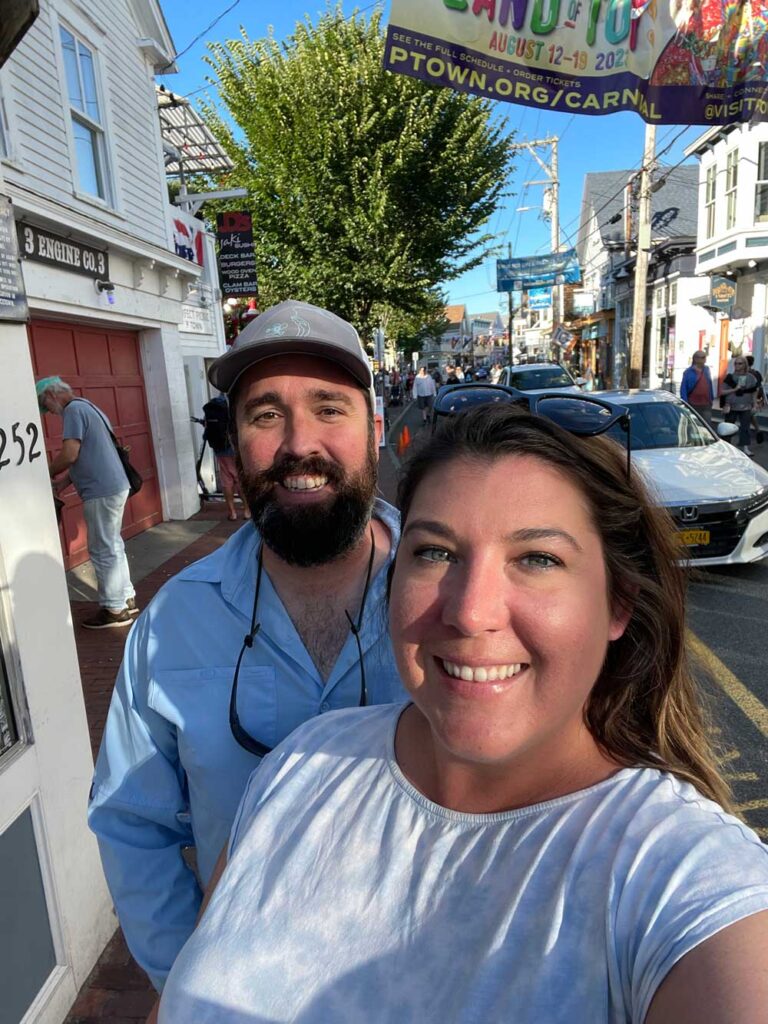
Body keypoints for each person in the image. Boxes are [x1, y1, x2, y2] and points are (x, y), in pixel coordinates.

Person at [155, 402, 768, 1023]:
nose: (471, 612)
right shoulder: (302, 764)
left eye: (537, 559)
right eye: (436, 553)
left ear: (619, 604)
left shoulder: (680, 876)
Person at [88, 300, 405, 991]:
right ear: (232, 449)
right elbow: (131, 824)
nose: (299, 444)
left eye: (330, 408)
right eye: (266, 414)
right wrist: (190, 985)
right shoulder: (174, 623)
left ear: (375, 429)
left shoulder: (455, 597)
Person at [36, 376, 137, 629]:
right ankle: (126, 597)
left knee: (102, 549)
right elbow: (89, 454)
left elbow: (71, 453)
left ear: (52, 395)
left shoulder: (73, 411)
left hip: (100, 490)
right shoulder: (89, 406)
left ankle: (114, 609)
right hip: (114, 485)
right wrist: (62, 484)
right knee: (113, 544)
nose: (50, 412)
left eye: (46, 406)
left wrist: (43, 472)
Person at [202, 393, 251, 521]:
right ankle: (247, 510)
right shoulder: (233, 403)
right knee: (239, 478)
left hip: (218, 447)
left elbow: (207, 425)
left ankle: (232, 512)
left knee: (226, 480)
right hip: (232, 445)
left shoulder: (213, 404)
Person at [720, 355, 759, 456]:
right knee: (728, 427)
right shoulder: (730, 377)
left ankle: (745, 447)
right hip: (731, 405)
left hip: (745, 406)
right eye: (736, 363)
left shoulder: (751, 378)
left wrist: (755, 404)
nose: (737, 365)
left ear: (745, 364)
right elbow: (722, 392)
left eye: (740, 363)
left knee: (745, 427)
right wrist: (734, 389)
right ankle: (726, 447)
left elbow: (754, 391)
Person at [680, 350, 714, 426]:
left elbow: (709, 384)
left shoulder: (706, 369)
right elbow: (683, 388)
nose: (705, 359)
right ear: (695, 359)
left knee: (707, 425)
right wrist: (685, 403)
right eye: (702, 357)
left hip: (706, 403)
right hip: (693, 404)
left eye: (705, 357)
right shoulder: (688, 372)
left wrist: (711, 398)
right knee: (694, 425)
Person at [746, 355, 765, 444]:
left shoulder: (745, 373)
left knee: (747, 416)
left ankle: (749, 436)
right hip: (755, 397)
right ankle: (758, 430)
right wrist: (762, 399)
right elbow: (760, 387)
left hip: (747, 398)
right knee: (750, 416)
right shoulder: (756, 373)